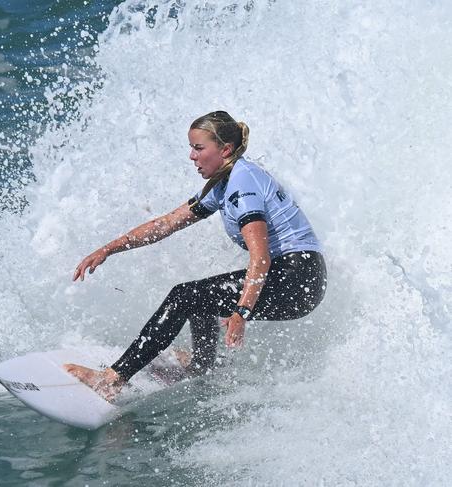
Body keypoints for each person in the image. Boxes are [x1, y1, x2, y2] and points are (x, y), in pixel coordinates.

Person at [64, 110, 327, 401]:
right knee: (200, 296)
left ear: (225, 150)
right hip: (298, 276)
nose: (191, 156)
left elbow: (261, 257)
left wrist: (241, 312)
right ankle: (202, 366)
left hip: (297, 278)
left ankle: (112, 380)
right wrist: (108, 249)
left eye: (199, 148)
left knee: (185, 296)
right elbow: (166, 223)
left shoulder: (242, 184)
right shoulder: (223, 182)